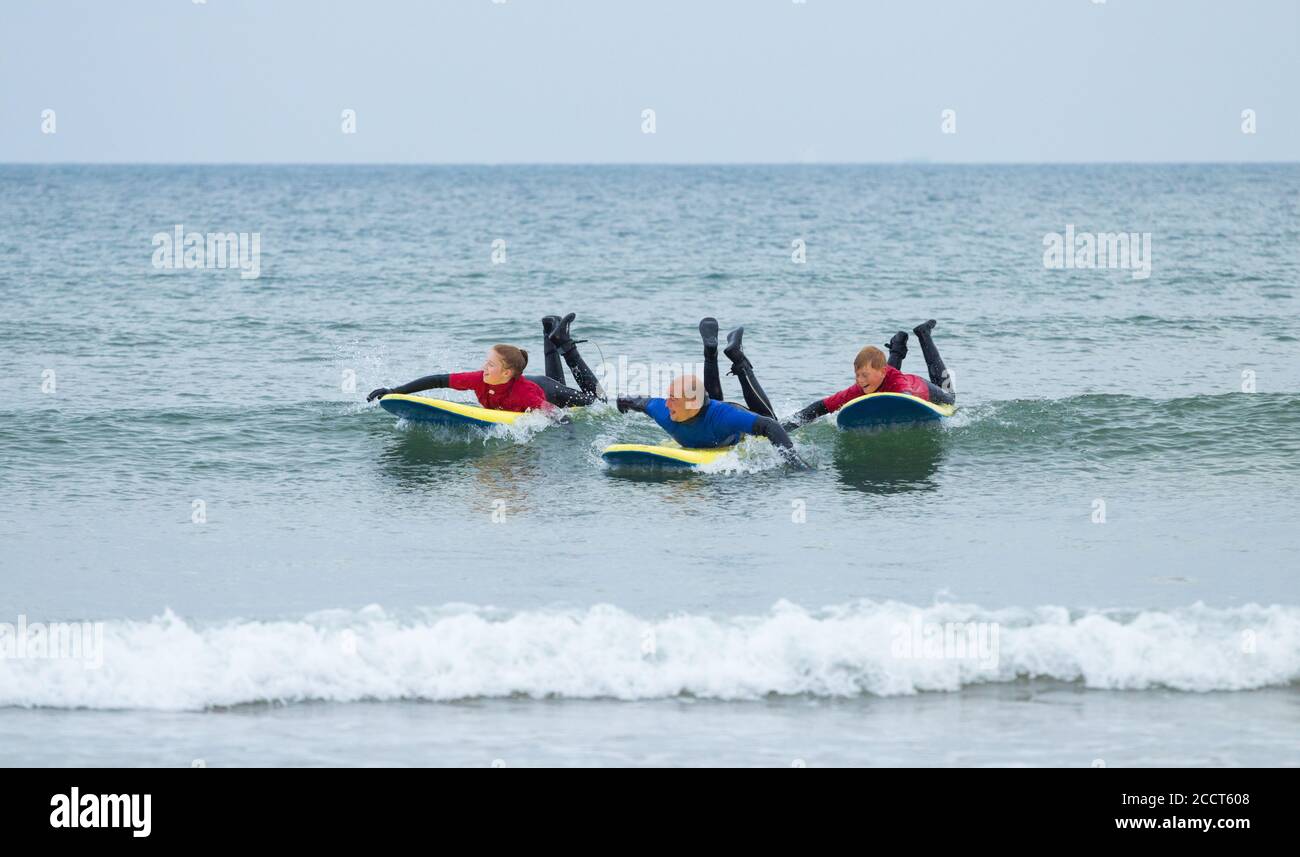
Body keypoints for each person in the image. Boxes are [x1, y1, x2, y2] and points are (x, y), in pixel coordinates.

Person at [616, 319, 807, 467]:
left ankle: (738, 361)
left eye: (673, 399)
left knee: (769, 418)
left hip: (724, 417)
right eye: (668, 398)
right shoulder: (663, 410)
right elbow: (641, 401)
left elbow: (770, 426)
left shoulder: (728, 417)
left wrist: (794, 463)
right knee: (711, 407)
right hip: (709, 414)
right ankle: (711, 350)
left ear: (690, 401)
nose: (667, 403)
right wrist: (623, 400)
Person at [366, 312, 602, 411]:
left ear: (507, 372)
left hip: (548, 390)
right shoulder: (479, 379)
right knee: (594, 400)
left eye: (491, 364)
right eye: (485, 362)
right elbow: (438, 380)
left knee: (599, 403)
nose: (483, 368)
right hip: (541, 385)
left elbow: (560, 418)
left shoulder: (525, 394)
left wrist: (568, 444)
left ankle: (565, 345)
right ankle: (551, 332)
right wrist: (395, 390)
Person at [782, 319, 955, 430]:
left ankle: (924, 335)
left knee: (950, 397)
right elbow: (822, 406)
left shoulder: (897, 381)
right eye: (857, 375)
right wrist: (787, 425)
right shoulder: (862, 386)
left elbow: (905, 397)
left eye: (864, 375)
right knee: (881, 382)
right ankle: (898, 343)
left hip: (920, 387)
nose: (859, 380)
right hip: (885, 379)